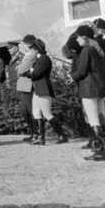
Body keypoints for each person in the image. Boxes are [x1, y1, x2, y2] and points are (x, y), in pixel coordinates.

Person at [21, 35, 69, 145]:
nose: (31, 50)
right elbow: (33, 71)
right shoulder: (39, 59)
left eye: (32, 48)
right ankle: (40, 138)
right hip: (37, 88)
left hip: (43, 87)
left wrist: (27, 73)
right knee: (36, 113)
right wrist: (29, 72)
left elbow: (36, 73)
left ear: (36, 48)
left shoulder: (44, 59)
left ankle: (62, 135)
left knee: (47, 114)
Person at [70, 25, 105, 158]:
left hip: (89, 89)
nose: (77, 39)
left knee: (93, 119)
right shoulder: (98, 49)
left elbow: (82, 70)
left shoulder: (86, 50)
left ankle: (101, 150)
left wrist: (72, 76)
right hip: (100, 88)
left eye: (78, 37)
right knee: (102, 117)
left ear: (84, 37)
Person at [12, 41, 36, 142]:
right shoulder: (14, 58)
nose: (9, 50)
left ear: (17, 47)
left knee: (29, 110)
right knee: (24, 111)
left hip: (26, 83)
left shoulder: (24, 56)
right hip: (19, 84)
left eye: (11, 48)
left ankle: (36, 133)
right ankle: (32, 132)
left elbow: (21, 70)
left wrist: (19, 69)